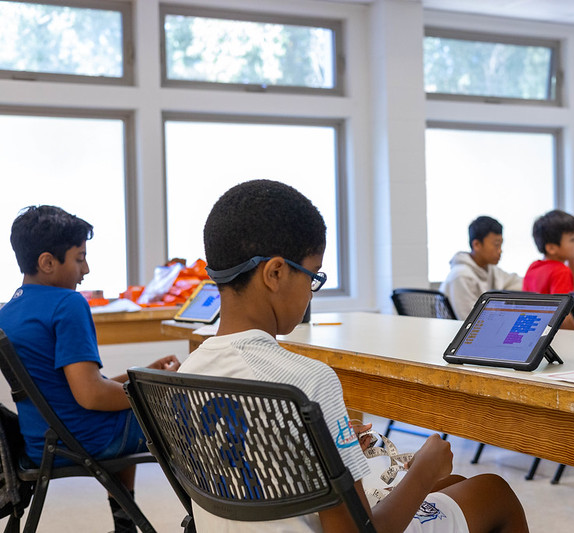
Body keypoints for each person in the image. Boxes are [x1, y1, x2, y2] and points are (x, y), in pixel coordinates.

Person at [181, 180, 529, 533]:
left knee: (453, 482)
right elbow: (365, 530)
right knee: (492, 491)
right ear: (275, 273)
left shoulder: (188, 369)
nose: (310, 293)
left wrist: (335, 445)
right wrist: (425, 467)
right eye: (312, 277)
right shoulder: (308, 381)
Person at [0, 205, 181, 533]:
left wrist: (139, 374)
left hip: (41, 442)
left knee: (126, 409)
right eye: (79, 257)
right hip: (85, 440)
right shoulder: (68, 304)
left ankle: (125, 523)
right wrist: (152, 388)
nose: (86, 268)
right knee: (180, 415)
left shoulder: (9, 312)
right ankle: (209, 517)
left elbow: (73, 390)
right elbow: (92, 395)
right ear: (47, 262)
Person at [439, 216, 522, 320]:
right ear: (477, 245)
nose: (500, 251)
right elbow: (469, 320)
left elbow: (517, 282)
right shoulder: (461, 276)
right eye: (496, 245)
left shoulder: (491, 269)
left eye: (501, 245)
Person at [523, 209, 574, 294]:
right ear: (551, 248)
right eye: (573, 240)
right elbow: (570, 302)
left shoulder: (533, 267)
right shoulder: (561, 271)